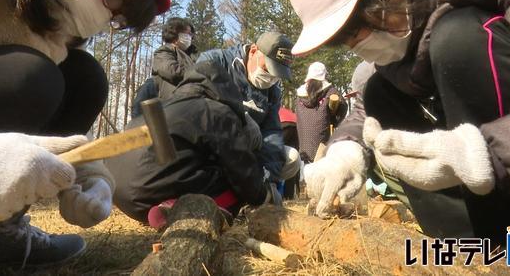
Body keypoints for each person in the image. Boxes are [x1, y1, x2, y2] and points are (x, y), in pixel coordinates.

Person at [284, 0, 510, 253]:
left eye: (356, 33)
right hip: (502, 219)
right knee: (380, 93)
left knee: (458, 41)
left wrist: (492, 155)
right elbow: (366, 109)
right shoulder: (411, 19)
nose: (356, 50)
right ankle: (482, 253)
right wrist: (347, 150)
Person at [0, 0, 171, 267]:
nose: (105, 18)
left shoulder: (57, 24)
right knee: (31, 77)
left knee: (85, 78)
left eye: (117, 16)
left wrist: (91, 177)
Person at [106, 62, 280, 228]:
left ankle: (171, 206)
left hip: (121, 197)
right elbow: (242, 169)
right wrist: (263, 195)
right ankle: (179, 208)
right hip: (154, 192)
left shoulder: (163, 105)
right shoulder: (216, 110)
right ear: (226, 89)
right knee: (234, 180)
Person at [197, 32, 301, 184]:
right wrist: (241, 119)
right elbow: (196, 107)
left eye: (277, 74)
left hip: (249, 151)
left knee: (292, 158)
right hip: (214, 144)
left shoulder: (273, 90)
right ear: (253, 51)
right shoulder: (214, 62)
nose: (271, 78)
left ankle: (255, 187)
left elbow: (271, 131)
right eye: (268, 69)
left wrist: (268, 173)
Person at [295, 62, 347, 163]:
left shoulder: (298, 98)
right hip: (322, 149)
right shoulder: (330, 92)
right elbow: (343, 107)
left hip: (303, 149)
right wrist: (334, 121)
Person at [152, 17, 196, 99]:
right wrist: (200, 72)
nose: (189, 37)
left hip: (194, 101)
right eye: (186, 33)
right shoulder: (163, 52)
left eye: (190, 34)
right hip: (174, 103)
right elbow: (173, 71)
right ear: (175, 34)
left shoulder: (193, 55)